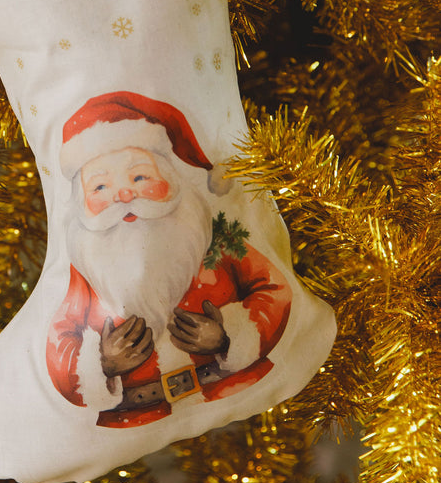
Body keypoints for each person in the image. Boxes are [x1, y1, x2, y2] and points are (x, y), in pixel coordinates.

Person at [46, 92, 292, 428]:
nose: (124, 195)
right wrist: (103, 363)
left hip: (231, 387)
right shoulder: (88, 265)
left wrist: (228, 338)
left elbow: (274, 289)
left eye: (139, 177)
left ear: (169, 179)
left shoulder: (208, 238)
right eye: (101, 187)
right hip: (138, 415)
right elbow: (61, 340)